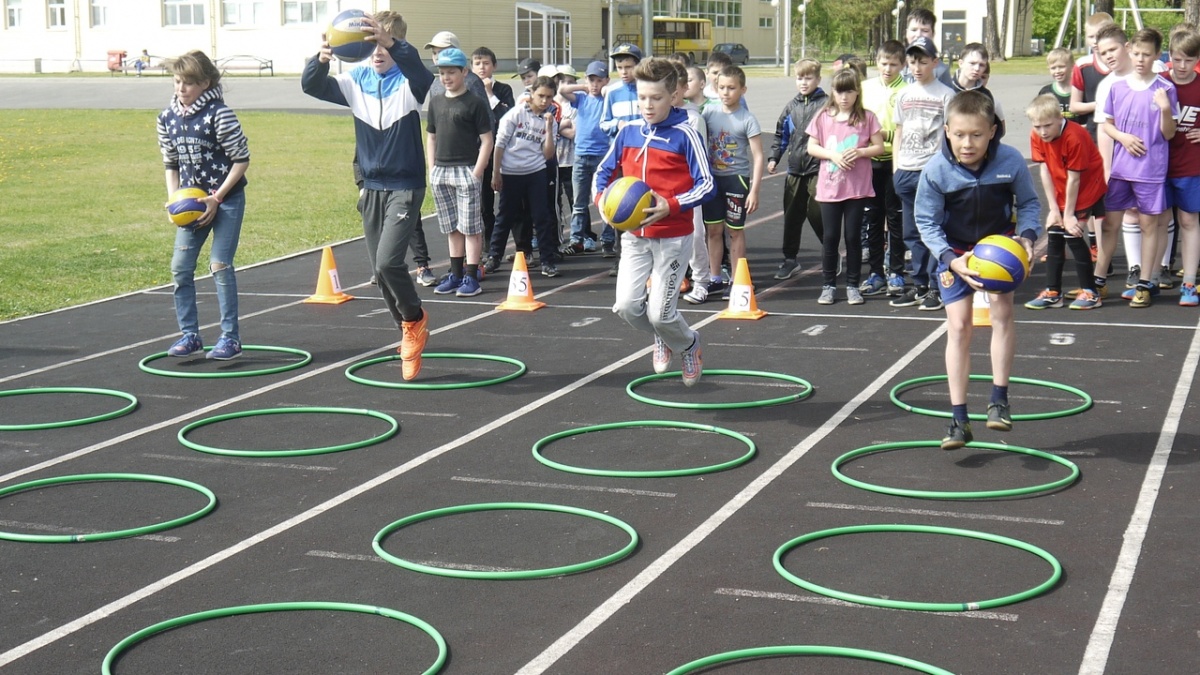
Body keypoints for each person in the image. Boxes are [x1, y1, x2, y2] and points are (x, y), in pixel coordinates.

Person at [301, 11, 433, 380]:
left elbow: (423, 75)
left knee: (390, 263)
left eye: (383, 44)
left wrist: (392, 43)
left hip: (405, 186)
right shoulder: (354, 80)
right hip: (372, 187)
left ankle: (414, 319)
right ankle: (408, 326)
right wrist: (322, 56)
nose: (376, 51)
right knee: (379, 270)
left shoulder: (410, 81)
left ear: (395, 45)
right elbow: (311, 85)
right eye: (370, 44)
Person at [914, 90, 1041, 449]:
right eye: (959, 135)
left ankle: (999, 401)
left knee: (1002, 313)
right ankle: (958, 420)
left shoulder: (1011, 160)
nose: (966, 143)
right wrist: (949, 258)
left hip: (997, 248)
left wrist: (1028, 237)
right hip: (955, 253)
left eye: (976, 135)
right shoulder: (936, 169)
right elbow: (925, 222)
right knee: (958, 327)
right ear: (946, 131)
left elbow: (1030, 203)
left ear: (993, 131)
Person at [594, 57, 714, 386]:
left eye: (656, 98)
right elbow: (602, 174)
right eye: (642, 98)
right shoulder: (627, 132)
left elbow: (707, 184)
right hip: (635, 236)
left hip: (673, 237)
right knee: (626, 307)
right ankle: (663, 336)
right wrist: (602, 203)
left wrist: (671, 205)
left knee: (660, 312)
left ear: (674, 95)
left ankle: (689, 344)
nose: (647, 105)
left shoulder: (685, 134)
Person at [158, 50, 250, 361]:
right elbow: (170, 162)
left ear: (205, 83)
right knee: (180, 269)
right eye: (177, 81)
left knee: (219, 265)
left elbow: (241, 160)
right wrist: (174, 199)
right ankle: (190, 334)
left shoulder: (219, 114)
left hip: (225, 199)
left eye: (188, 83)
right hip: (191, 204)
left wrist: (217, 197)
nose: (180, 88)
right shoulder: (167, 118)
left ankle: (230, 338)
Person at [1099, 27, 1178, 307]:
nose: (1141, 59)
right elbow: (1107, 124)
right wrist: (1122, 136)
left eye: (1147, 54)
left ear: (1157, 55)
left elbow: (1169, 134)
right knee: (1110, 225)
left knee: (1148, 225)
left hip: (1150, 171)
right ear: (1129, 51)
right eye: (1136, 53)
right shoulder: (1116, 87)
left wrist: (1166, 109)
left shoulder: (1165, 89)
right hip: (1121, 169)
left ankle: (1145, 282)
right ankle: (1098, 282)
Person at [807, 67, 884, 305]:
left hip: (857, 189)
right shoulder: (823, 116)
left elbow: (879, 147)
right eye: (840, 92)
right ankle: (828, 285)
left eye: (849, 91)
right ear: (833, 92)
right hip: (830, 189)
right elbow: (812, 146)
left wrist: (860, 151)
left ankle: (852, 285)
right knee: (830, 237)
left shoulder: (867, 117)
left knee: (852, 238)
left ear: (857, 93)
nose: (844, 97)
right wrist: (832, 155)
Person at [890, 36, 955, 311]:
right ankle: (918, 285)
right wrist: (896, 168)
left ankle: (935, 286)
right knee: (911, 233)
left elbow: (951, 134)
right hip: (906, 169)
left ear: (935, 62)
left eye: (923, 61)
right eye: (913, 61)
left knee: (933, 231)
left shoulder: (945, 94)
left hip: (932, 171)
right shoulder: (904, 94)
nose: (917, 66)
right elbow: (899, 132)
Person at [1024, 94, 1104, 310]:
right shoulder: (1037, 135)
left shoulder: (1074, 136)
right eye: (1037, 126)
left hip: (1087, 186)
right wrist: (1053, 210)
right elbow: (1045, 170)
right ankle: (1053, 292)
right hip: (1062, 185)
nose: (1042, 132)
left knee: (1073, 232)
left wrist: (1068, 214)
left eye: (1047, 126)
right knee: (1054, 232)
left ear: (1060, 118)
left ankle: (1090, 292)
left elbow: (1075, 178)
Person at [426, 47, 493, 298]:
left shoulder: (474, 103)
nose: (446, 77)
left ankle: (472, 276)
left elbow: (487, 139)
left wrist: (477, 171)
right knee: (451, 226)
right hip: (441, 171)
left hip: (466, 170)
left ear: (464, 72)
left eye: (451, 72)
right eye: (442, 73)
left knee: (470, 227)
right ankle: (455, 274)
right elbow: (431, 136)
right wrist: (431, 168)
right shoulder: (435, 102)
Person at [701, 64, 764, 299]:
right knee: (713, 230)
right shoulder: (708, 113)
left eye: (731, 88)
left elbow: (758, 156)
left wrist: (754, 190)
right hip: (713, 181)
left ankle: (738, 280)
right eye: (722, 87)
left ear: (743, 90)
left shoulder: (747, 118)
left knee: (735, 231)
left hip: (737, 180)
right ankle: (715, 277)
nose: (726, 92)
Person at [491, 76, 560, 277]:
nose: (545, 101)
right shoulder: (515, 114)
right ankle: (494, 256)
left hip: (535, 172)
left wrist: (548, 128)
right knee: (505, 216)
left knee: (541, 216)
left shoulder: (550, 120)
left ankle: (547, 261)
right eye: (541, 96)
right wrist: (496, 173)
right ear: (532, 94)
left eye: (549, 97)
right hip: (511, 172)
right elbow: (500, 145)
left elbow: (548, 154)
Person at [765, 58, 825, 284]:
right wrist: (774, 158)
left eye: (808, 77)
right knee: (792, 217)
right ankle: (790, 259)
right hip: (794, 170)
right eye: (800, 78)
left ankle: (829, 252)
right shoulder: (791, 107)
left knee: (818, 214)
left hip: (818, 169)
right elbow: (781, 135)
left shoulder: (826, 105)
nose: (804, 82)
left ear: (818, 79)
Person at [861, 40, 907, 298]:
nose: (887, 68)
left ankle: (897, 272)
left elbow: (908, 127)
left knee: (896, 219)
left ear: (902, 65)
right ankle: (875, 272)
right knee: (873, 219)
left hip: (896, 163)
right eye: (883, 63)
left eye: (893, 64)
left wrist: (885, 134)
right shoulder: (865, 88)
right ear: (876, 62)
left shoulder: (908, 90)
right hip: (869, 162)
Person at [599, 43, 644, 267]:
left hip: (644, 158)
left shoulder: (646, 90)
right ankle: (621, 259)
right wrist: (619, 124)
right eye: (619, 67)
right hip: (621, 159)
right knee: (621, 206)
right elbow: (604, 122)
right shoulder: (613, 93)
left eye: (629, 66)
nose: (624, 72)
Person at [558, 61, 610, 253]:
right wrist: (583, 86)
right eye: (591, 80)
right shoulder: (581, 98)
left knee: (605, 201)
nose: (595, 84)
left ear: (606, 81)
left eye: (599, 80)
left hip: (602, 156)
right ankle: (576, 240)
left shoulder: (607, 99)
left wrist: (604, 89)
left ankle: (607, 240)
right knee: (579, 203)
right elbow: (563, 90)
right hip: (581, 155)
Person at [472, 46, 515, 268]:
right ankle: (490, 249)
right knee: (483, 205)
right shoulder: (469, 90)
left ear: (494, 66)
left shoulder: (504, 89)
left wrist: (489, 93)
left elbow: (507, 118)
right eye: (477, 63)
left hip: (503, 154)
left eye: (486, 63)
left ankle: (522, 247)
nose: (482, 67)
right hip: (480, 155)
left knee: (510, 203)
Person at [1168, 28, 1200, 306]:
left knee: (1188, 220)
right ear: (1169, 57)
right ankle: (1148, 278)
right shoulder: (1159, 84)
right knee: (1154, 222)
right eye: (1177, 59)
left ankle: (1189, 282)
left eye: (1188, 61)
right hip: (1158, 166)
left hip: (1191, 165)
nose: (1181, 66)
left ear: (1196, 60)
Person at [900, 8, 955, 88]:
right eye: (914, 30)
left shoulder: (941, 70)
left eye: (925, 30)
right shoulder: (894, 62)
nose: (918, 34)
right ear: (906, 33)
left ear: (933, 34)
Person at [1040, 48, 1077, 119]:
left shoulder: (1080, 91)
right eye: (1053, 68)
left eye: (1061, 67)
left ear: (1072, 66)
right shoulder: (1045, 92)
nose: (1057, 71)